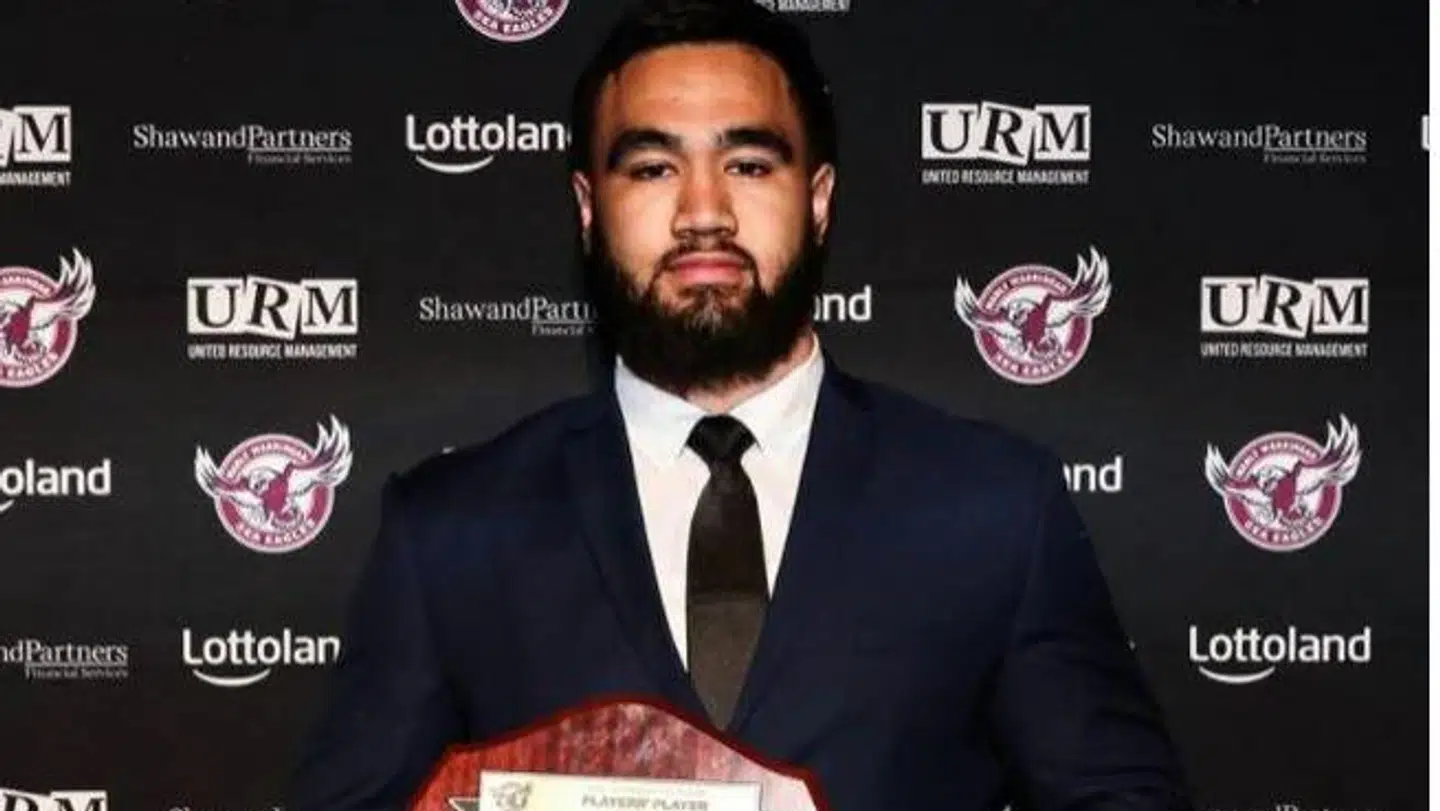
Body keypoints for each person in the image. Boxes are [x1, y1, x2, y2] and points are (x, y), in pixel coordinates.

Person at [288, 1, 1195, 809]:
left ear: (819, 200)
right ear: (588, 208)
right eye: (652, 167)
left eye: (750, 163)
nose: (704, 211)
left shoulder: (994, 507)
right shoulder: (451, 529)